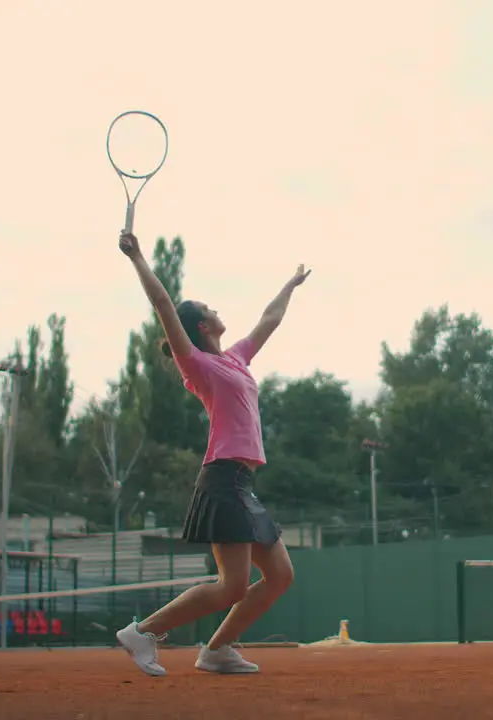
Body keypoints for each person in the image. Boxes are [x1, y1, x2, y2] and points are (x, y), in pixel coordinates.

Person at [113, 230, 310, 676]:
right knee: (232, 587)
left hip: (241, 482)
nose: (217, 311)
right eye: (209, 309)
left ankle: (217, 650)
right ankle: (143, 632)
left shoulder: (236, 359)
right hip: (221, 480)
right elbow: (164, 306)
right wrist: (138, 257)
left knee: (279, 576)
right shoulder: (196, 364)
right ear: (201, 326)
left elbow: (269, 319)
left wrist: (291, 284)